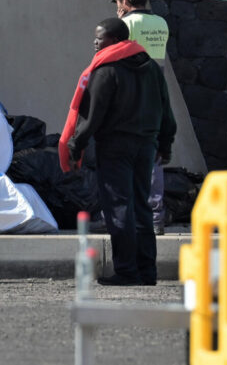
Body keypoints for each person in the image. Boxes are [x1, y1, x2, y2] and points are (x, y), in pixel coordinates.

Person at [59, 18, 176, 286]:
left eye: (99, 38)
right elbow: (166, 109)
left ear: (113, 40)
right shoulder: (151, 68)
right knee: (141, 205)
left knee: (119, 206)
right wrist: (165, 144)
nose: (95, 42)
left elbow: (92, 116)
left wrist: (75, 147)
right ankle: (147, 271)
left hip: (115, 147)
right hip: (146, 146)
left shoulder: (106, 70)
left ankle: (126, 271)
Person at [112, 0, 170, 235]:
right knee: (153, 157)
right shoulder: (161, 23)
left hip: (131, 96)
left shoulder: (127, 24)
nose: (117, 8)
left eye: (117, 3)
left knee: (122, 156)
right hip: (155, 96)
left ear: (125, 1)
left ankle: (125, 215)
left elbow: (117, 54)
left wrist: (119, 23)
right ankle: (155, 217)